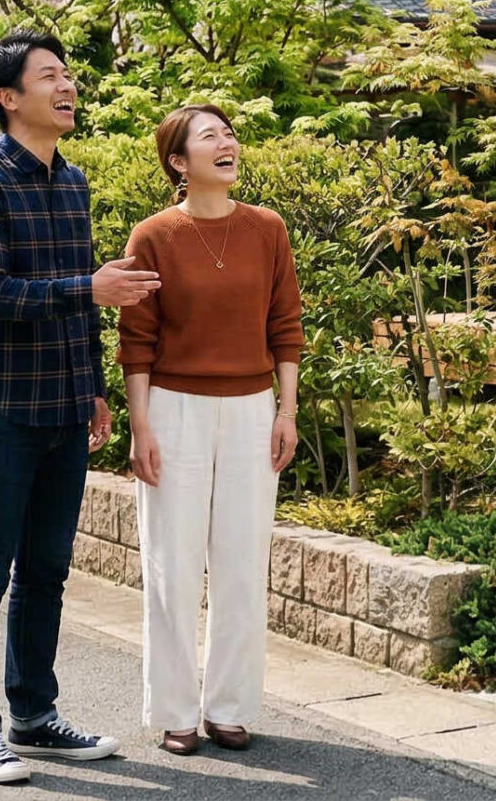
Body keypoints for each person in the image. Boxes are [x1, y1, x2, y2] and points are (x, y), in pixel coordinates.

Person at [0, 29, 159, 785]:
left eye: (69, 74)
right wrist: (87, 290)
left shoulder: (72, 183)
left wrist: (92, 386)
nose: (67, 86)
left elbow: (78, 299)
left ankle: (33, 713)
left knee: (45, 571)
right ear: (9, 97)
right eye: (50, 76)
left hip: (63, 406)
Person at [115, 104, 303, 756]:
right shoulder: (153, 235)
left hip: (253, 409)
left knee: (243, 562)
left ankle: (230, 705)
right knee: (172, 562)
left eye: (229, 133)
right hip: (173, 407)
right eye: (209, 136)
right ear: (178, 160)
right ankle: (174, 710)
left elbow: (286, 326)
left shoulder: (267, 230)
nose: (227, 143)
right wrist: (141, 426)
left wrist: (287, 410)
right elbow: (135, 340)